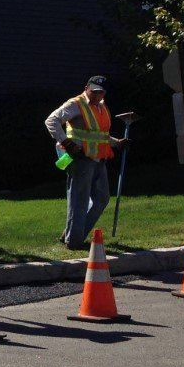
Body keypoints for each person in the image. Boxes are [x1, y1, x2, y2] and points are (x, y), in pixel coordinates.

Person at [45, 75, 127, 250]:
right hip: (81, 158)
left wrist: (116, 142)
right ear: (87, 88)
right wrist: (66, 141)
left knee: (102, 198)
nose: (98, 95)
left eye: (101, 92)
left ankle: (73, 233)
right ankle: (74, 241)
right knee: (79, 200)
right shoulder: (75, 104)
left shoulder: (101, 106)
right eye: (95, 91)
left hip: (98, 158)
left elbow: (99, 135)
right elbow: (51, 121)